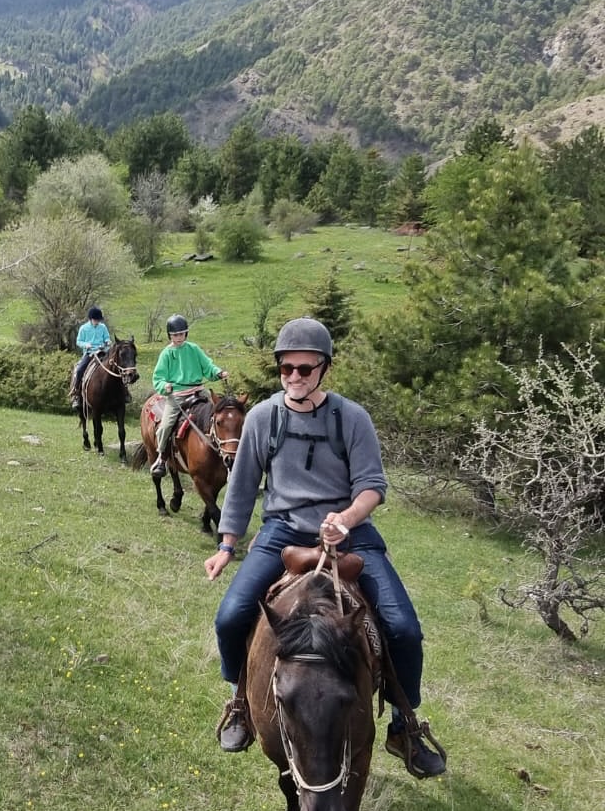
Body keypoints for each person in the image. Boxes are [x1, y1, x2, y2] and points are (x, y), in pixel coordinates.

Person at [205, 317, 446, 779]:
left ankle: (404, 726)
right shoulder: (263, 418)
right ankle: (240, 703)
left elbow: (373, 486)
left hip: (350, 535)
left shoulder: (352, 418)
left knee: (404, 628)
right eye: (286, 368)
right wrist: (228, 544)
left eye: (305, 368)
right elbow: (242, 485)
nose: (294, 377)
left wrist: (347, 519)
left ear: (324, 370)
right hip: (281, 531)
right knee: (231, 616)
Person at [150, 314, 228, 477]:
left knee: (219, 415)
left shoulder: (194, 349)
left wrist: (218, 373)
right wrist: (165, 385)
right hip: (177, 395)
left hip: (199, 391)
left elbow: (208, 366)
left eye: (181, 334)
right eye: (175, 335)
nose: (178, 338)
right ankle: (162, 457)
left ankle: (226, 454)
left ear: (186, 334)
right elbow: (158, 377)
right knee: (165, 426)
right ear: (169, 335)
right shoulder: (166, 354)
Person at [69, 306, 112, 410]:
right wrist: (86, 344)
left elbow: (107, 338)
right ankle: (76, 394)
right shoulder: (83, 328)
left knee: (116, 366)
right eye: (95, 320)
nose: (97, 322)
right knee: (79, 370)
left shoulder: (103, 327)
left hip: (103, 352)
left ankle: (125, 393)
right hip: (90, 353)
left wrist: (107, 342)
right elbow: (78, 341)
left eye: (98, 320)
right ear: (90, 319)